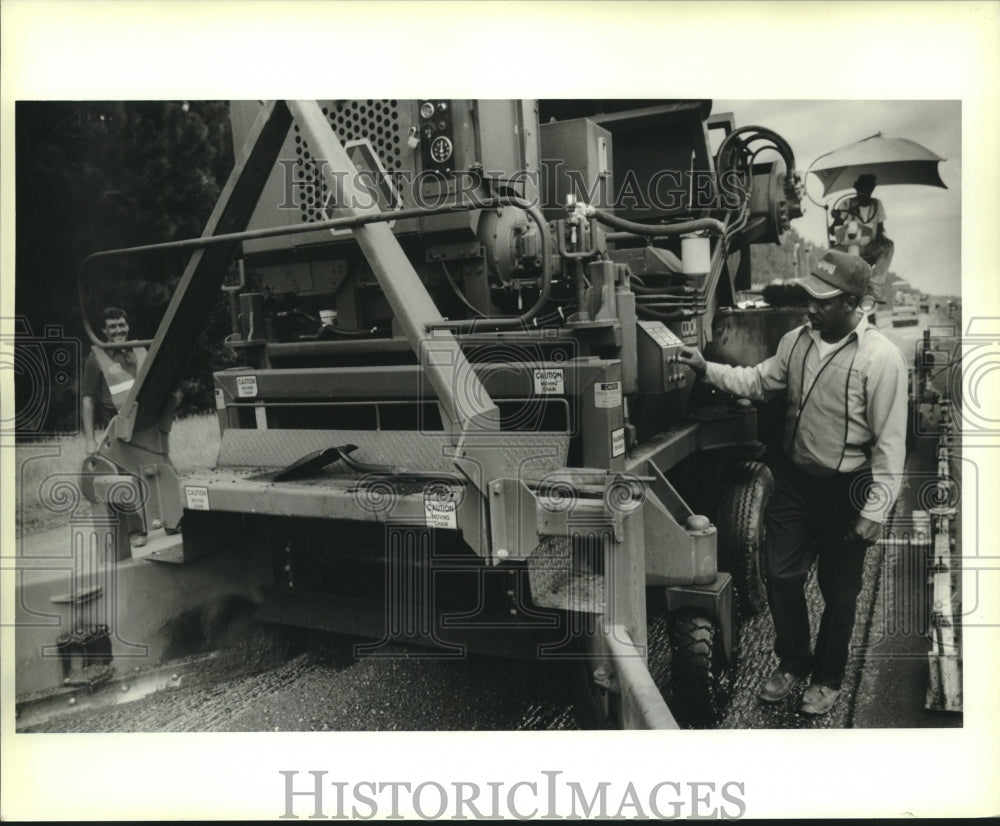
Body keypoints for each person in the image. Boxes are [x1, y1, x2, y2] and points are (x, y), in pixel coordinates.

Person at [677, 250, 907, 716]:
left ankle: (827, 677)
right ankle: (793, 661)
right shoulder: (795, 341)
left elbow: (890, 444)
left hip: (849, 489)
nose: (812, 307)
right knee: (781, 576)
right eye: (810, 296)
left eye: (823, 300)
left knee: (840, 594)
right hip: (797, 482)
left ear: (854, 303)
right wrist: (705, 368)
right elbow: (758, 381)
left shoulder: (882, 359)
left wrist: (876, 511)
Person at [82, 307, 148, 546]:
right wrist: (90, 440)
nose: (118, 330)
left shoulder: (141, 349)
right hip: (117, 423)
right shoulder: (96, 357)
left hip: (143, 421)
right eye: (112, 327)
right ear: (104, 330)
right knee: (122, 477)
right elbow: (88, 399)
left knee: (152, 470)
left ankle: (167, 520)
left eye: (121, 325)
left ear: (127, 325)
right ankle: (136, 531)